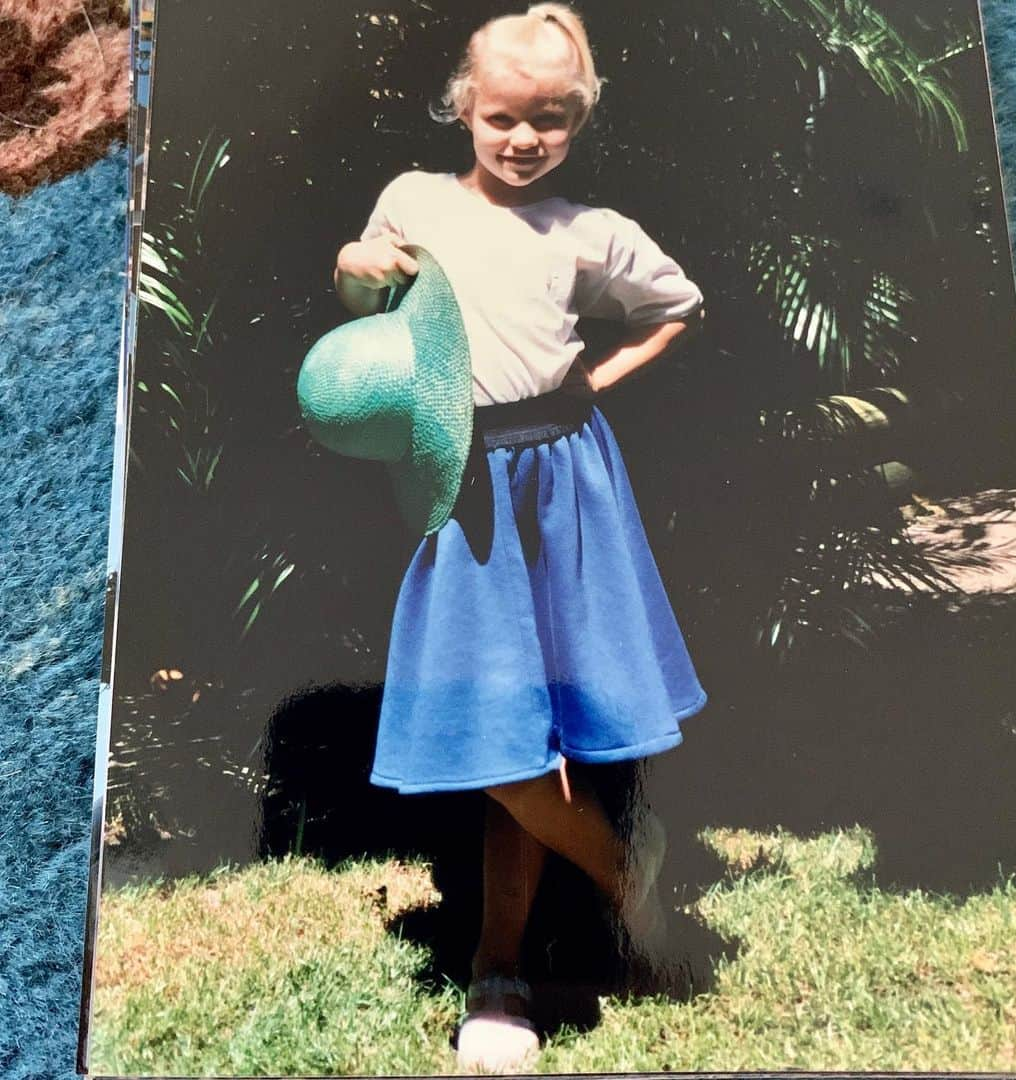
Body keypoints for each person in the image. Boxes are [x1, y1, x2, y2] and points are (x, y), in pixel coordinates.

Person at [333, 4, 706, 1071]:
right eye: (502, 116)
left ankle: (500, 972)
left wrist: (591, 381)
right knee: (494, 731)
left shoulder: (588, 231)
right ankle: (623, 868)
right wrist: (357, 261)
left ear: (578, 121)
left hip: (564, 484)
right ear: (464, 105)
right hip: (459, 481)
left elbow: (676, 307)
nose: (523, 138)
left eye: (551, 120)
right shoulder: (413, 199)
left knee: (533, 731)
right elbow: (366, 299)